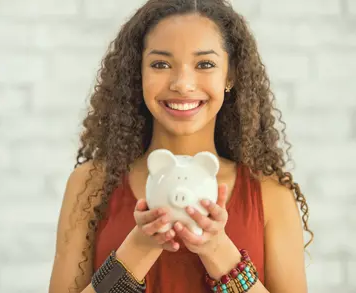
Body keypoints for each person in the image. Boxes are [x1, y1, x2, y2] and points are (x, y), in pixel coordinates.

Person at [49, 0, 314, 292]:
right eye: (160, 64)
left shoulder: (270, 194)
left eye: (205, 64)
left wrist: (216, 249)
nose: (182, 83)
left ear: (230, 75)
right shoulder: (90, 184)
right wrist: (139, 247)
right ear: (138, 74)